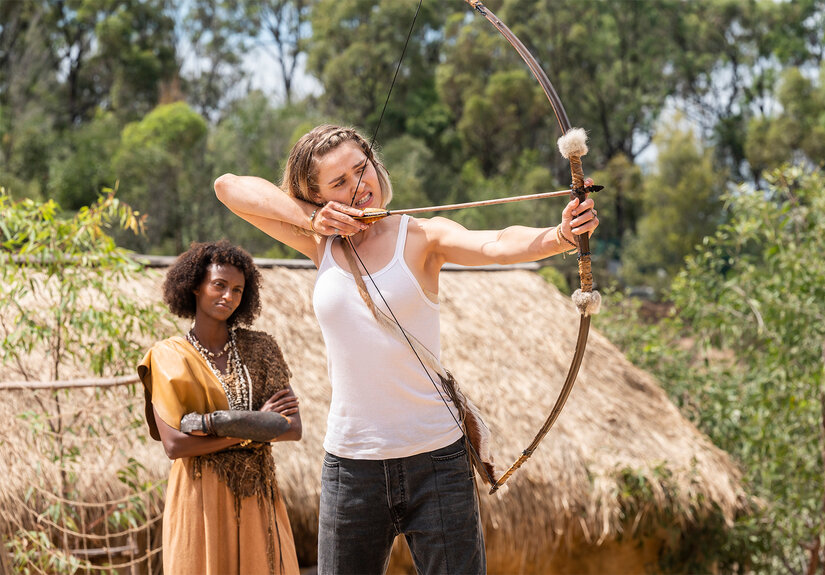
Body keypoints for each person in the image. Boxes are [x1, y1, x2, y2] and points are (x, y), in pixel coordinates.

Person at [214, 124, 599, 574]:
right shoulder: (320, 243)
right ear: (315, 194)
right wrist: (312, 219)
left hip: (436, 460)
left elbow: (494, 243)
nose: (359, 186)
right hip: (351, 464)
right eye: (338, 182)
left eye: (362, 169)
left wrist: (560, 235)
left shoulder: (419, 236)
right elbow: (229, 188)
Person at [137, 240, 302, 575]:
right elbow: (175, 444)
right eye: (219, 285)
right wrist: (256, 427)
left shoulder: (262, 348)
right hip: (199, 497)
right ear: (196, 286)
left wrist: (214, 425)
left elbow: (292, 428)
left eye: (238, 290)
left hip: (258, 492)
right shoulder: (167, 356)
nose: (229, 296)